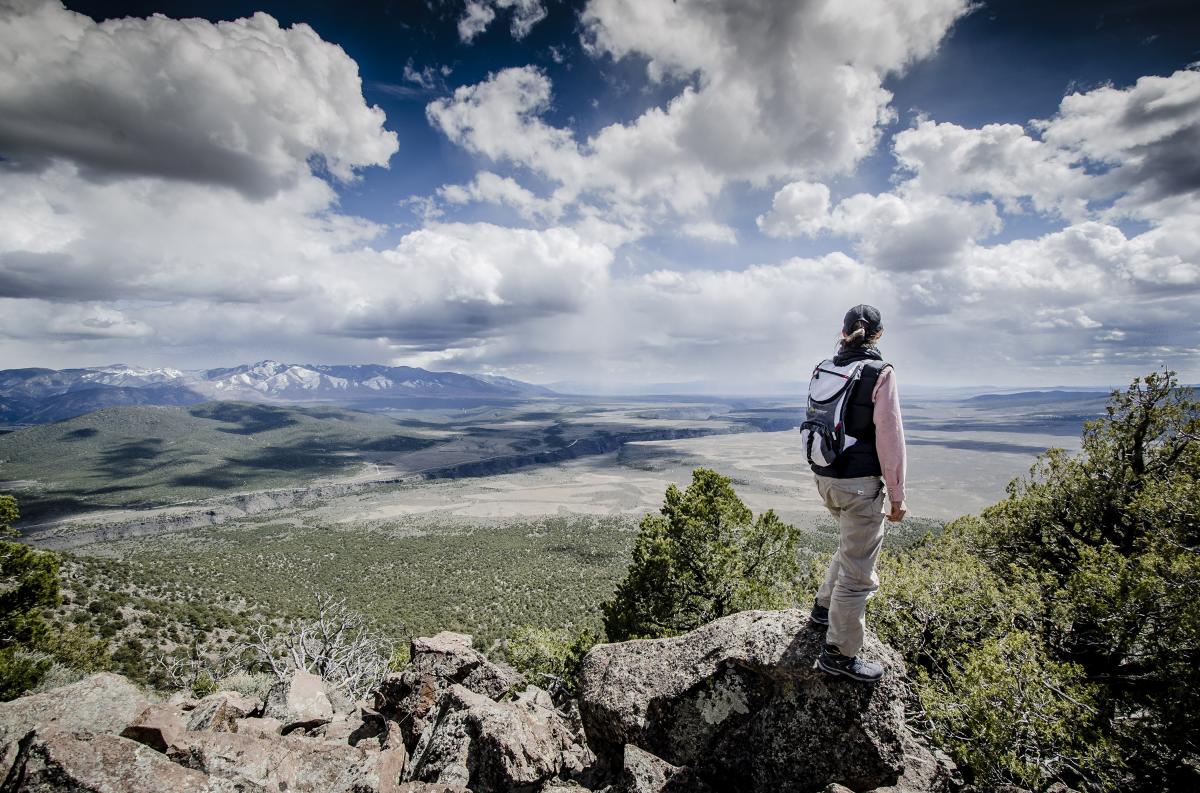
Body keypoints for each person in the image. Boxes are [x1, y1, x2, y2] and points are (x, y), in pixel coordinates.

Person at [808, 304, 907, 682]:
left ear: (843, 330)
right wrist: (896, 494)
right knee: (859, 573)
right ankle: (839, 654)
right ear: (878, 335)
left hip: (825, 477)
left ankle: (823, 608)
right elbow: (890, 435)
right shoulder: (880, 373)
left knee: (852, 546)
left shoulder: (826, 367)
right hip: (860, 484)